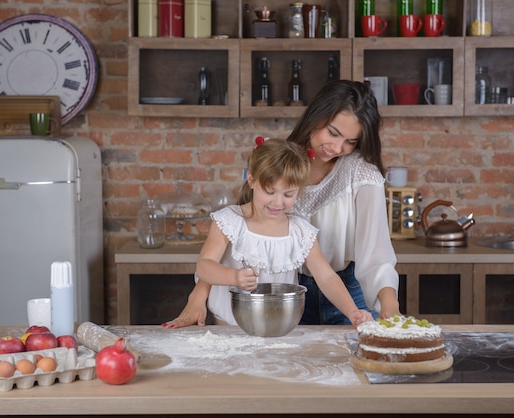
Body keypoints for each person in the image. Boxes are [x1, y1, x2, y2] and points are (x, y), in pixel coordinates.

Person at [163, 79, 400, 328]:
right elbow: (225, 250)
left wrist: (388, 304)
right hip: (283, 298)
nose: (338, 147)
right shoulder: (280, 162)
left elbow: (368, 258)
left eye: (351, 141)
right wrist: (197, 296)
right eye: (333, 132)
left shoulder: (359, 174)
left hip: (343, 292)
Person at [188, 137, 373, 327]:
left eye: (288, 194)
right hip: (228, 331)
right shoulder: (229, 221)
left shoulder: (300, 232)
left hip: (280, 331)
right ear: (251, 179)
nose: (278, 203)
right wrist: (234, 277)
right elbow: (204, 266)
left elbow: (326, 277)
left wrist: (353, 311)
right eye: (270, 191)